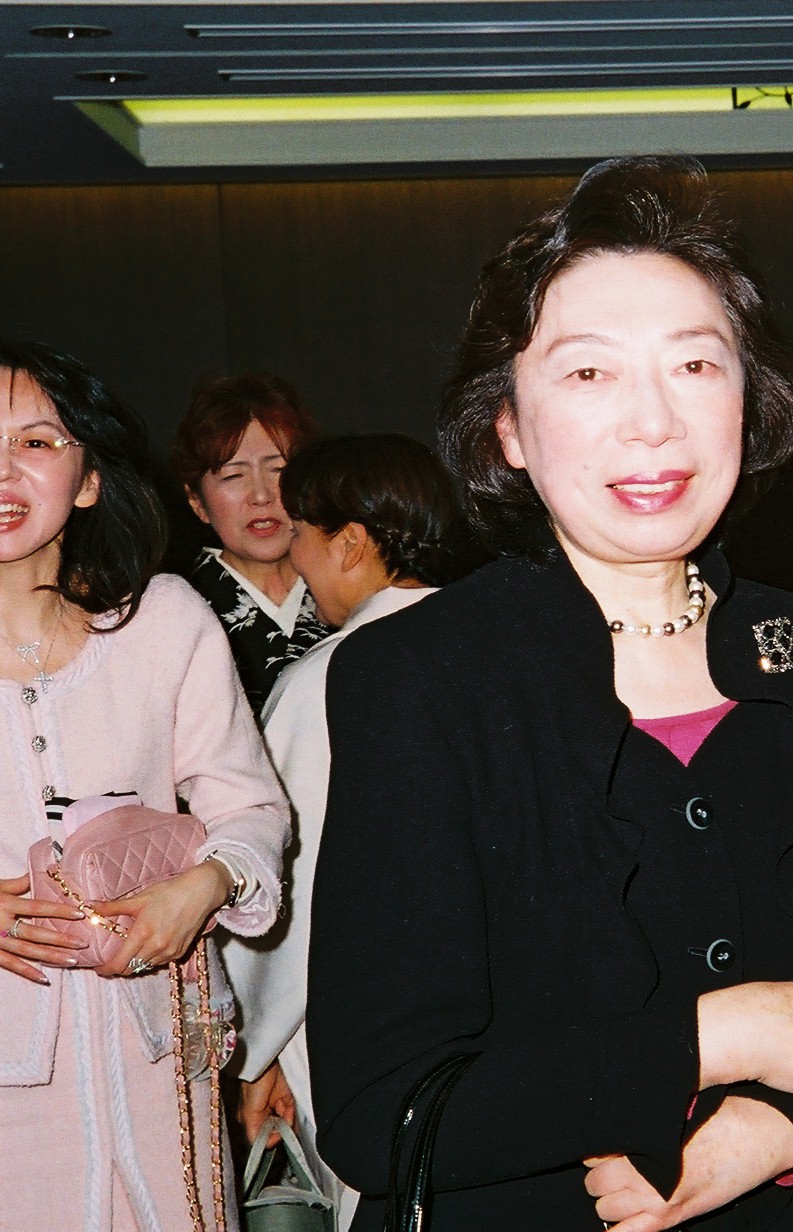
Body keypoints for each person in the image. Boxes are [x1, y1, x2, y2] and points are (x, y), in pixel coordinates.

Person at [306, 157, 793, 1232]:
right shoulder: (418, 675)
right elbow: (381, 1111)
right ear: (507, 429)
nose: (653, 421)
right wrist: (720, 1037)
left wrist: (786, 1131)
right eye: (588, 373)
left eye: (695, 365)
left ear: (748, 402)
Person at [0, 339, 288, 1231]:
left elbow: (252, 805)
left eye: (36, 442)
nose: (3, 470)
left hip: (161, 1060)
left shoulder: (164, 623)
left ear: (88, 479)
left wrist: (203, 887)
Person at [222, 433, 479, 1224]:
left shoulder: (332, 676)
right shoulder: (503, 648)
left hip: (375, 1031)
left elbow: (284, 888)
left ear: (351, 542)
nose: (294, 555)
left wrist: (254, 1050)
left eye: (301, 532)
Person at [172, 373, 331, 712]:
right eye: (233, 475)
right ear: (196, 502)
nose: (260, 496)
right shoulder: (172, 607)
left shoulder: (347, 587)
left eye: (279, 470)